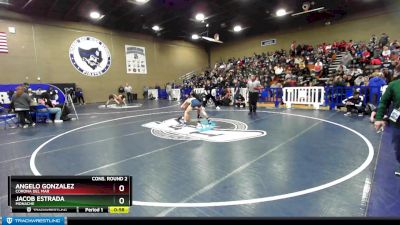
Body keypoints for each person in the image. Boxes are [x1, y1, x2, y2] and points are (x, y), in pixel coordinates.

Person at [374, 79, 400, 176]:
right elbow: (384, 102)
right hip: (398, 122)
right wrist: (379, 118)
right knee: (398, 148)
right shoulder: (394, 85)